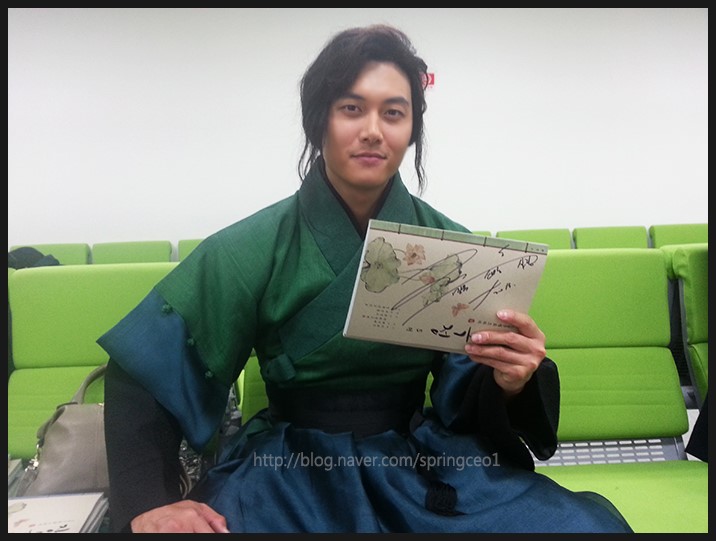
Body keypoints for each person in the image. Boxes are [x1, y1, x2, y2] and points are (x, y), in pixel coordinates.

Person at [98, 24, 633, 533]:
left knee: (585, 527)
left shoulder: (451, 248)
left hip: (418, 462)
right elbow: (147, 370)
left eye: (393, 113)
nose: (373, 131)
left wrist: (510, 381)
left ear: (411, 129)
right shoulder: (250, 249)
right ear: (319, 120)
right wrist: (149, 503)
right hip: (288, 470)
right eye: (351, 108)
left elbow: (466, 390)